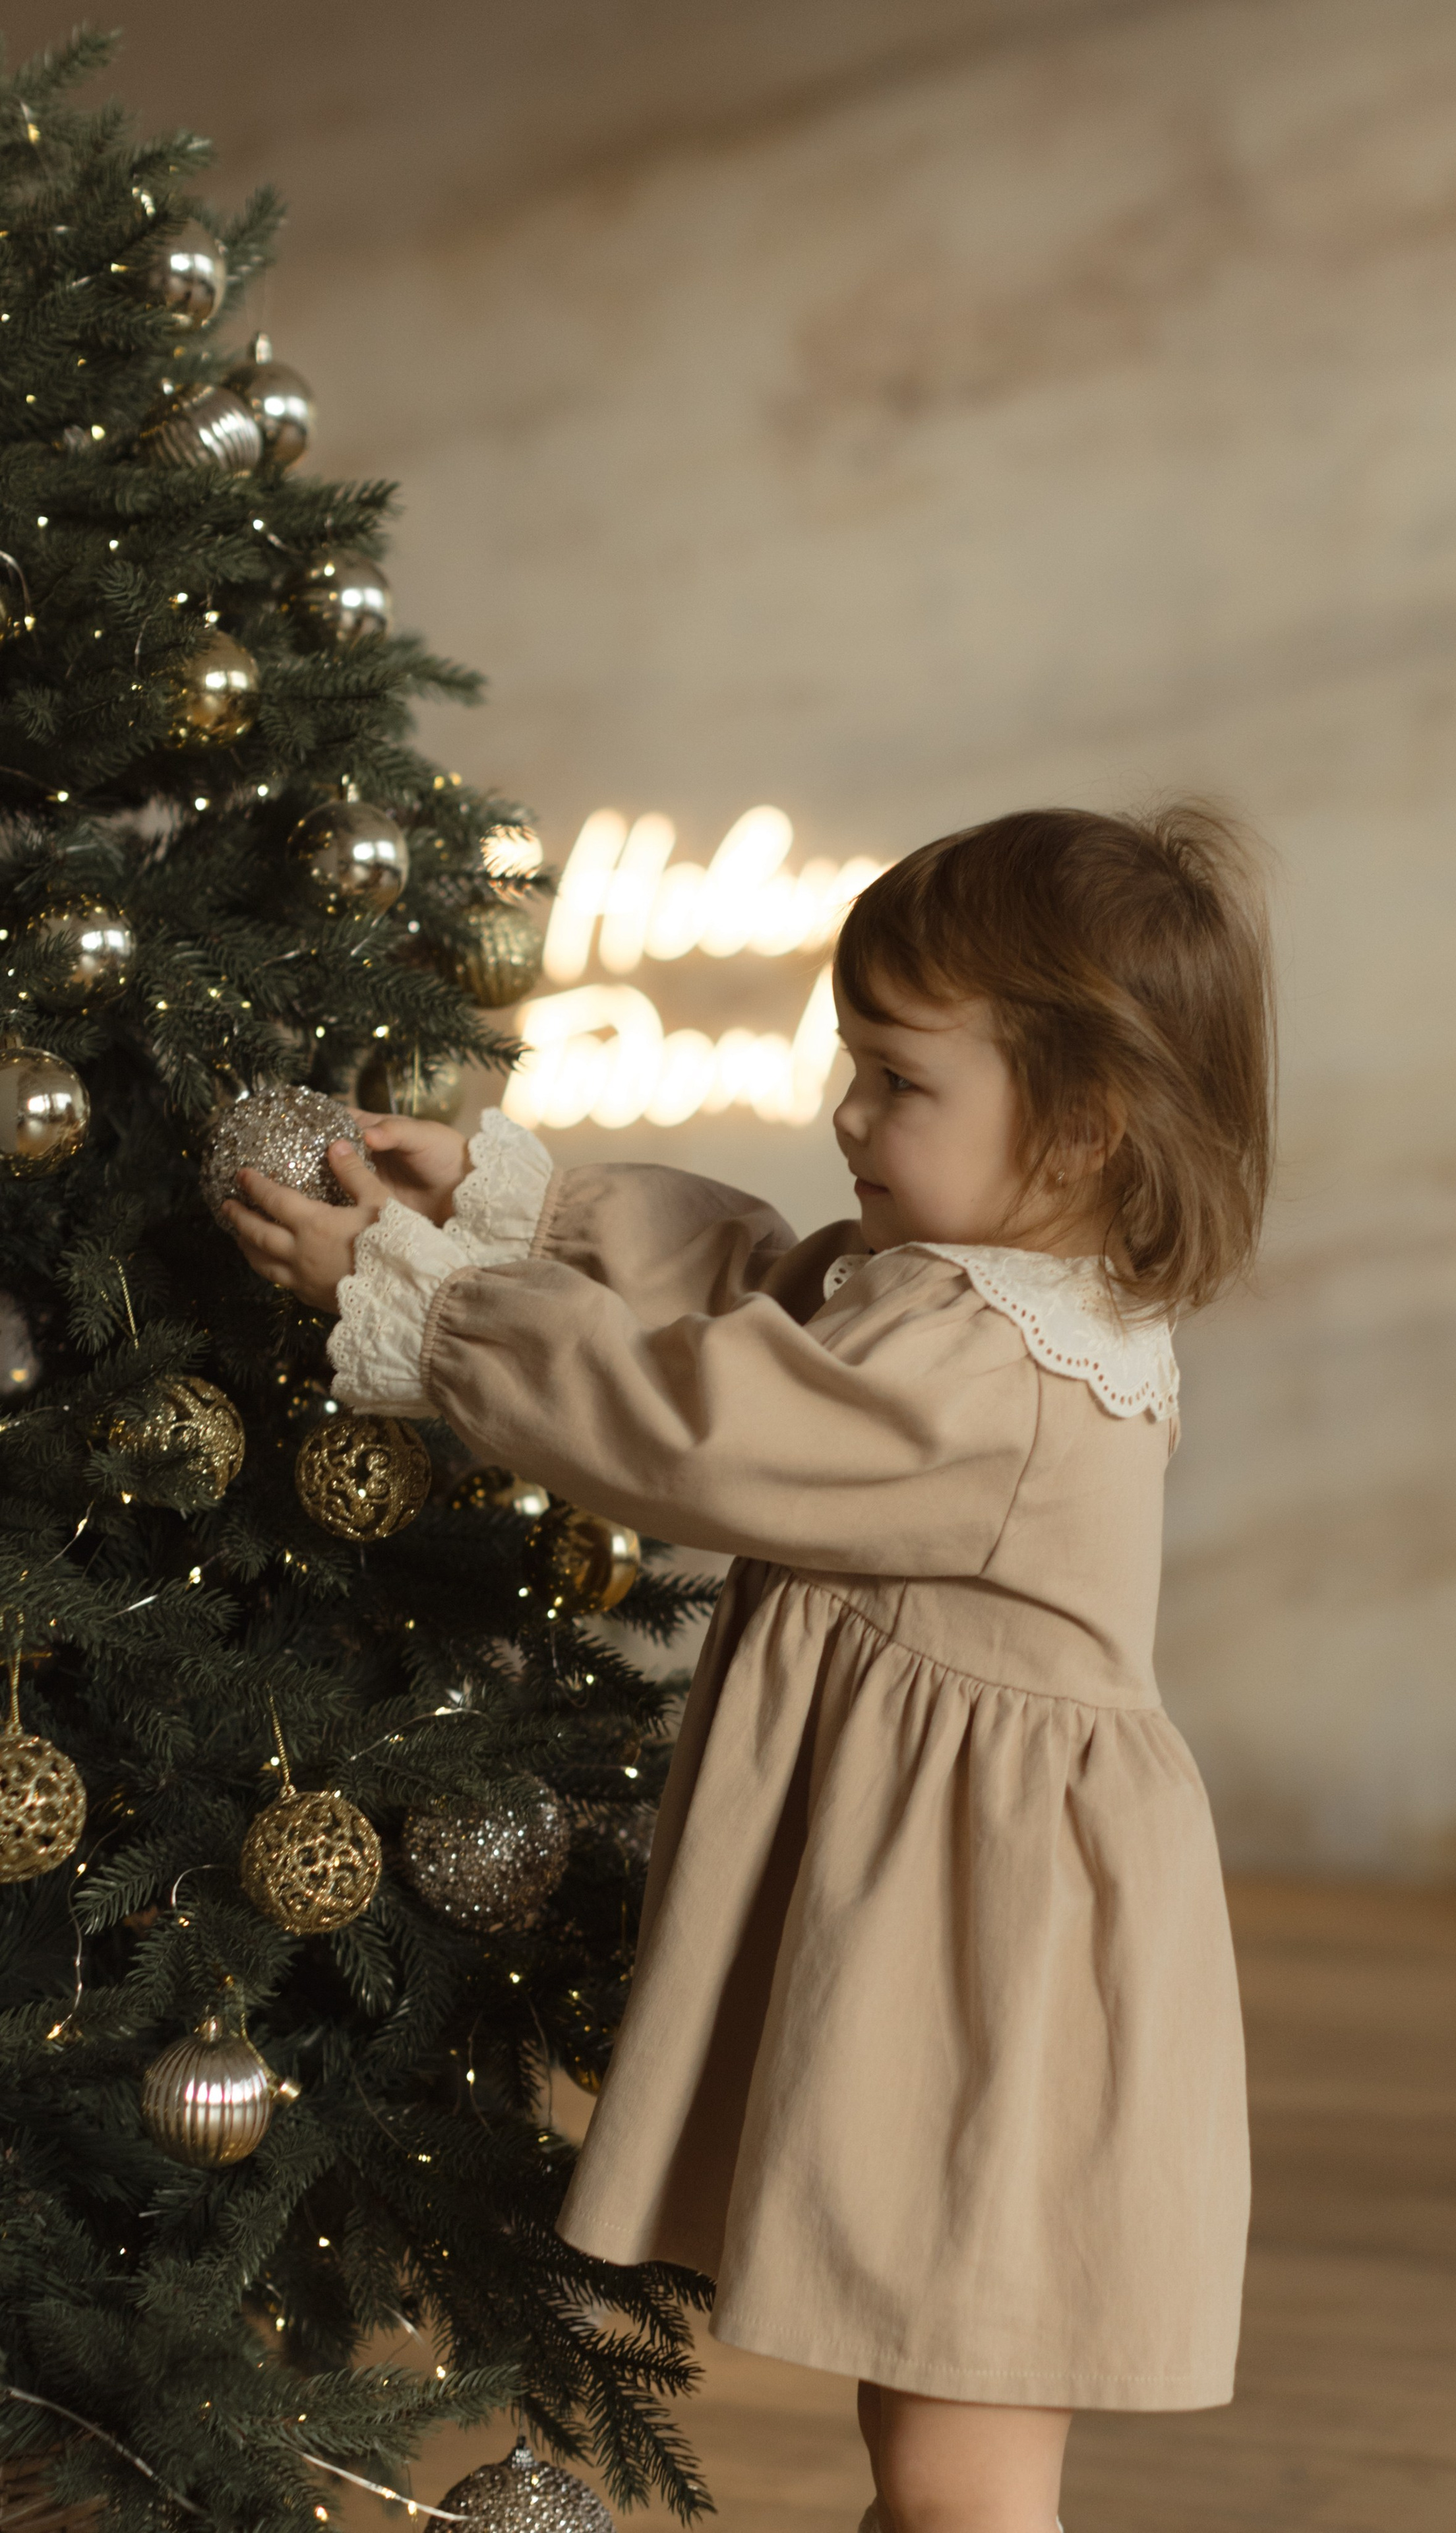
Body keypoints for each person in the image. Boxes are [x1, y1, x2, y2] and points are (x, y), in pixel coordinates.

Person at [224, 803, 1275, 2533]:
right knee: (930, 2439)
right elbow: (757, 1289)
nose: (846, 1112)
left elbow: (701, 1415)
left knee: (963, 2467)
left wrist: (429, 1308)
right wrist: (525, 1211)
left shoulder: (990, 1369)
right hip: (965, 1934)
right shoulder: (966, 1289)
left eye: (901, 1080)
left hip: (995, 1964)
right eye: (848, 1063)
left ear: (1084, 1124)